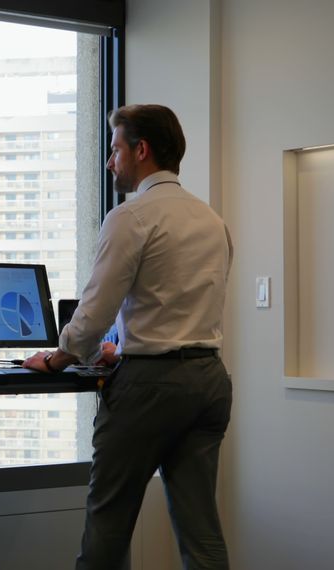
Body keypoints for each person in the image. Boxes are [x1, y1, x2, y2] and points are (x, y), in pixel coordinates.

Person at [24, 104, 233, 569]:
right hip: (208, 381)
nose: (109, 160)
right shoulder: (211, 221)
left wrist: (59, 356)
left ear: (141, 150)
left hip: (149, 387)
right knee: (202, 534)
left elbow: (93, 312)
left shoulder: (131, 217)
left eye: (116, 148)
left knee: (108, 528)